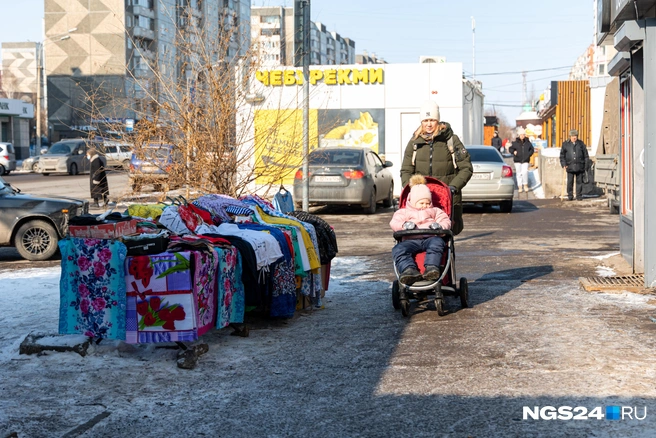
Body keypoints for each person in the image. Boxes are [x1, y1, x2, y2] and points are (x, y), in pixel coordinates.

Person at [400, 100, 473, 235]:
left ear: (438, 120)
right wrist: (411, 189)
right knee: (419, 233)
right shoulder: (414, 143)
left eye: (432, 120)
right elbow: (406, 170)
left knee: (444, 234)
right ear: (421, 122)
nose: (428, 124)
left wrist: (453, 187)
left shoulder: (451, 140)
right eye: (425, 120)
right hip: (421, 200)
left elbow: (466, 168)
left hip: (446, 197)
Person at [390, 175, 452, 285]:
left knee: (437, 244)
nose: (425, 206)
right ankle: (409, 270)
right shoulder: (403, 212)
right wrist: (404, 225)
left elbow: (446, 221)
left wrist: (439, 226)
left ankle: (431, 268)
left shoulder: (435, 211)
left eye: (428, 203)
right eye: (421, 203)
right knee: (398, 249)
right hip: (410, 240)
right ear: (412, 201)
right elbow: (394, 223)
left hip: (430, 238)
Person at [560, 129, 589, 201]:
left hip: (580, 166)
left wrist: (586, 165)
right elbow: (562, 156)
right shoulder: (565, 144)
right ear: (570, 136)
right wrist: (564, 164)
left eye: (575, 136)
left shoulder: (581, 144)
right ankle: (570, 195)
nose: (574, 137)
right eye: (573, 136)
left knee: (579, 182)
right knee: (570, 182)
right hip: (570, 166)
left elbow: (586, 155)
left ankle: (579, 195)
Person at [509, 127, 534, 193]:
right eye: (521, 134)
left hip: (525, 160)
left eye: (523, 134)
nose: (522, 136)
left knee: (525, 172)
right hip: (517, 160)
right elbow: (510, 149)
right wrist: (513, 152)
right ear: (519, 135)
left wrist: (529, 154)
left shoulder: (528, 142)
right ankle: (520, 186)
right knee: (519, 173)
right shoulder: (515, 143)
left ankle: (525, 185)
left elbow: (532, 149)